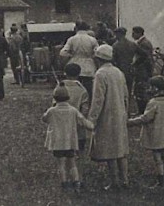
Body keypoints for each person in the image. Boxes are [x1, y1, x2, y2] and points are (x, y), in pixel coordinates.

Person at [88, 44, 130, 190]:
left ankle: (114, 182)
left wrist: (92, 119)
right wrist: (126, 111)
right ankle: (124, 179)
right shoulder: (119, 72)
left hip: (107, 115)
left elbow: (98, 99)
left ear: (98, 59)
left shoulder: (100, 74)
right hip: (120, 113)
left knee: (110, 149)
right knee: (120, 148)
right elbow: (126, 94)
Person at [127, 76, 164, 188]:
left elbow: (145, 118)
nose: (149, 89)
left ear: (157, 89)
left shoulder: (154, 103)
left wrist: (130, 122)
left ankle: (160, 179)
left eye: (152, 87)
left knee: (157, 157)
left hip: (157, 135)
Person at [42, 82, 95, 191]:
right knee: (72, 162)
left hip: (57, 142)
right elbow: (83, 121)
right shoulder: (73, 110)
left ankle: (64, 183)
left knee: (61, 163)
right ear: (68, 97)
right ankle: (76, 181)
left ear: (55, 98)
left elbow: (44, 119)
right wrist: (92, 126)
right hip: (70, 141)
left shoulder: (52, 111)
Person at [60, 21, 99, 98]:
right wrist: (91, 56)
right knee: (88, 90)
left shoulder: (72, 39)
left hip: (75, 66)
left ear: (76, 28)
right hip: (89, 68)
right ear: (87, 29)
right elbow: (97, 52)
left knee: (75, 89)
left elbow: (63, 53)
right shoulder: (92, 40)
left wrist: (71, 55)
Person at [59, 63, 90, 152]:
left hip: (62, 119)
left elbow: (55, 104)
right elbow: (85, 108)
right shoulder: (82, 90)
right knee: (79, 137)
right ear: (79, 74)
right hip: (77, 120)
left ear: (65, 73)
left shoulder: (59, 88)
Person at [131, 26, 154, 115]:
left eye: (134, 33)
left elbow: (145, 58)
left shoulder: (144, 43)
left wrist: (135, 65)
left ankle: (143, 112)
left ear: (139, 33)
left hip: (143, 71)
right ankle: (141, 111)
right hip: (142, 70)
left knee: (141, 91)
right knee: (140, 91)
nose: (132, 35)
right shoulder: (142, 42)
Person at [111, 27, 136, 98]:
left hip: (119, 69)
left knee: (119, 90)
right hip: (130, 69)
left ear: (119, 34)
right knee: (128, 88)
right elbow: (143, 55)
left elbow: (113, 58)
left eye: (116, 34)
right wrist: (135, 63)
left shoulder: (115, 45)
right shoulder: (132, 44)